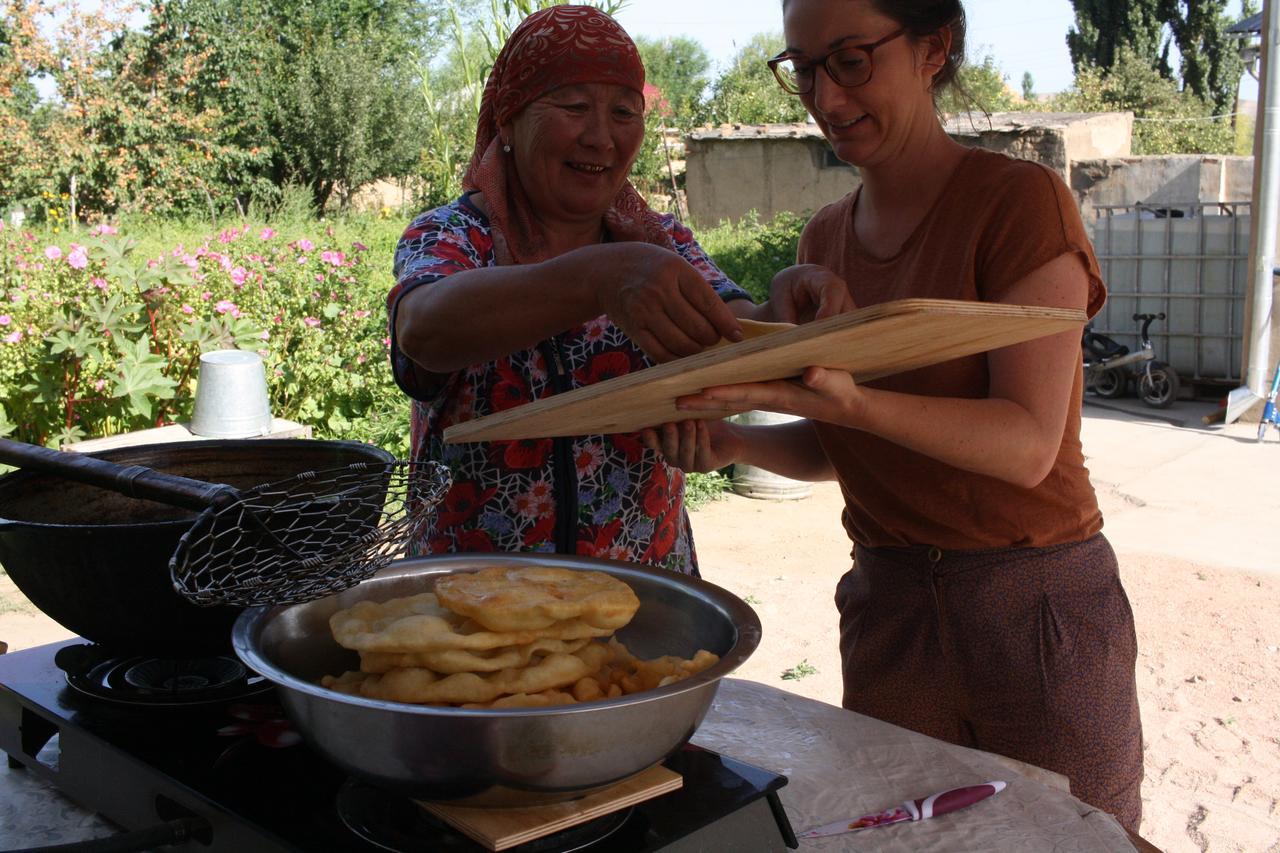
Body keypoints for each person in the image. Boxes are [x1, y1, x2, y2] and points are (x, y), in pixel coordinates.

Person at [650, 0, 1144, 831]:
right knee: (911, 840)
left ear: (931, 49)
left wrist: (855, 398)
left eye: (849, 60)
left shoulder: (1019, 205)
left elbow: (1027, 443)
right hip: (889, 608)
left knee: (1074, 835)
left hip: (1036, 607)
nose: (825, 97)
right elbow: (850, 445)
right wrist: (734, 438)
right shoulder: (825, 241)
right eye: (803, 68)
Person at [387, 4, 756, 575]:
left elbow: (742, 328)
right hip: (475, 603)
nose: (601, 137)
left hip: (640, 592)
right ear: (507, 120)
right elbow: (423, 331)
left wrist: (798, 302)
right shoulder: (453, 235)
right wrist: (598, 278)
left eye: (624, 112)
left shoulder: (660, 244)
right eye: (574, 107)